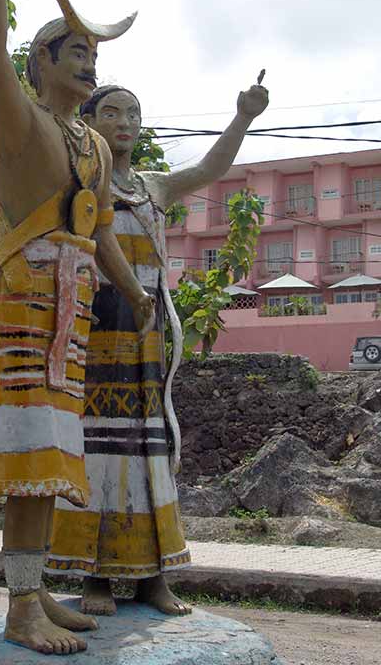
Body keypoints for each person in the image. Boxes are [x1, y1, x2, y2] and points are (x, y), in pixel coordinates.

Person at [0, 0, 155, 656]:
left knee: (54, 455)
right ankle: (20, 605)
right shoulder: (24, 124)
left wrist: (131, 289)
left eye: (93, 55)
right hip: (25, 300)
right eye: (75, 52)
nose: (87, 65)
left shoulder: (90, 144)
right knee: (27, 451)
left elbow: (100, 229)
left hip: (72, 305)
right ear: (43, 61)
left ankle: (38, 588)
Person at [47, 82, 269, 615]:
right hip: (94, 327)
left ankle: (153, 578)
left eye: (133, 114)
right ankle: (95, 577)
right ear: (89, 121)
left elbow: (210, 168)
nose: (123, 122)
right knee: (96, 447)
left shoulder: (154, 187)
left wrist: (241, 118)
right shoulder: (75, 183)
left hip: (149, 333)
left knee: (152, 448)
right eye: (111, 112)